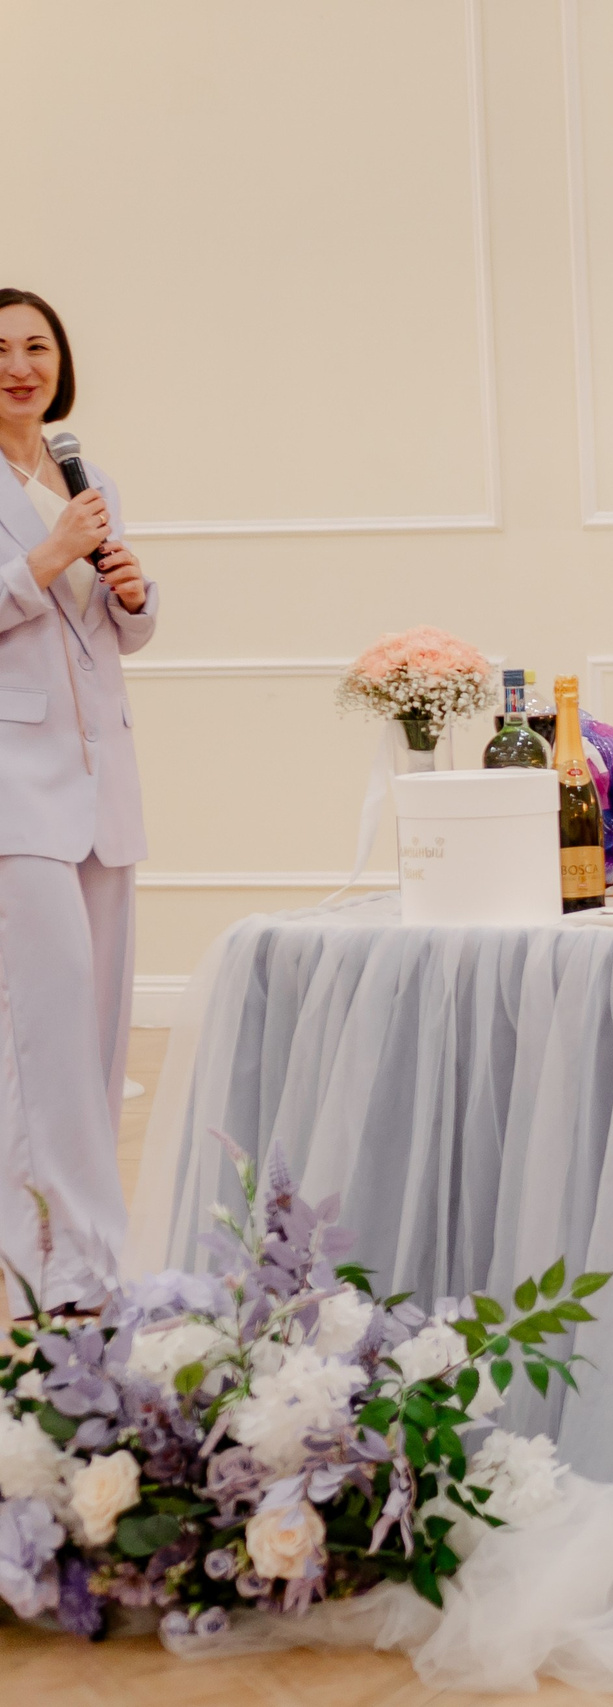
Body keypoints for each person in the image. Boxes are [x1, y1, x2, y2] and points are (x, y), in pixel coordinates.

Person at [0, 287, 156, 1308]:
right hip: (17, 789)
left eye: (36, 346)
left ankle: (84, 1258)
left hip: (105, 788)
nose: (20, 365)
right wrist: (42, 560)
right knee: (43, 1033)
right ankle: (66, 1265)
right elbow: (31, 592)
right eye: (0, 349)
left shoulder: (80, 471)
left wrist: (134, 594)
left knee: (97, 1034)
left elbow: (112, 634)